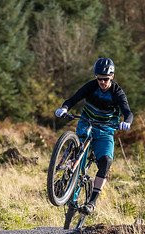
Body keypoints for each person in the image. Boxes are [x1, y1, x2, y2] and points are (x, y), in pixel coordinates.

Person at [54, 57, 133, 215]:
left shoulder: (117, 92)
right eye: (99, 79)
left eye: (106, 79)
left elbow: (127, 112)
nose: (102, 82)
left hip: (105, 130)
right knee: (78, 150)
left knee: (105, 161)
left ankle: (91, 202)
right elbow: (73, 99)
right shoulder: (91, 86)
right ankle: (66, 175)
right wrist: (64, 108)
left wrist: (127, 122)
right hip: (86, 123)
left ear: (112, 77)